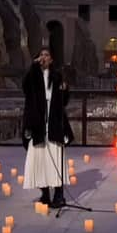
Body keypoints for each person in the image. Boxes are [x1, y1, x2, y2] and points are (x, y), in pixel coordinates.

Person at [22, 47, 74, 208]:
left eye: (47, 55)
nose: (43, 57)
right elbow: (25, 88)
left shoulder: (57, 76)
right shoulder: (33, 75)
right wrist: (33, 66)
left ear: (51, 60)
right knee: (39, 159)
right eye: (41, 55)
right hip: (38, 123)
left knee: (55, 159)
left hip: (54, 122)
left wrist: (65, 91)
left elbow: (64, 101)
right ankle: (44, 194)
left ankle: (59, 195)